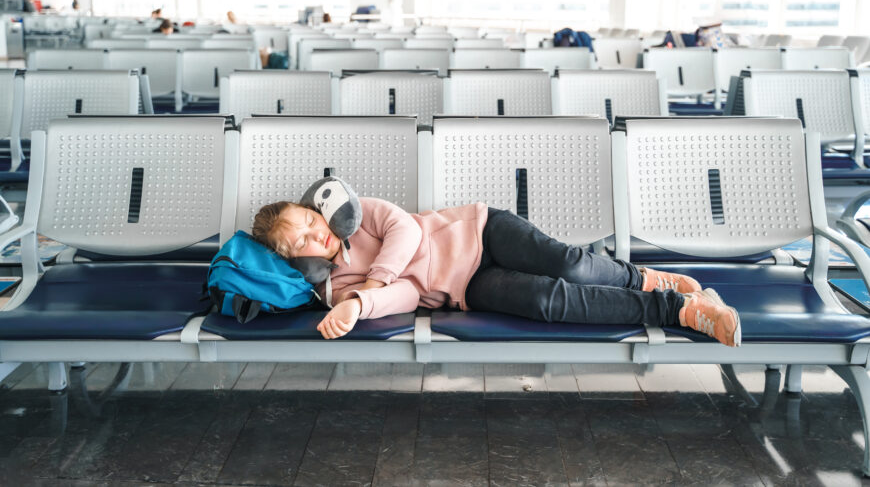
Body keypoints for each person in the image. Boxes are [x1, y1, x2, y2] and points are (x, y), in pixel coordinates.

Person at [252, 198, 741, 346]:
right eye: (300, 243)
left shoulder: (362, 214)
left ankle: (645, 279)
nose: (316, 237)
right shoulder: (334, 287)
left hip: (481, 231)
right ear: (292, 258)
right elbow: (403, 296)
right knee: (547, 301)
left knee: (567, 263)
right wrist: (359, 305)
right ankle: (681, 310)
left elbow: (408, 233)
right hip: (466, 288)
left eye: (313, 224)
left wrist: (374, 280)